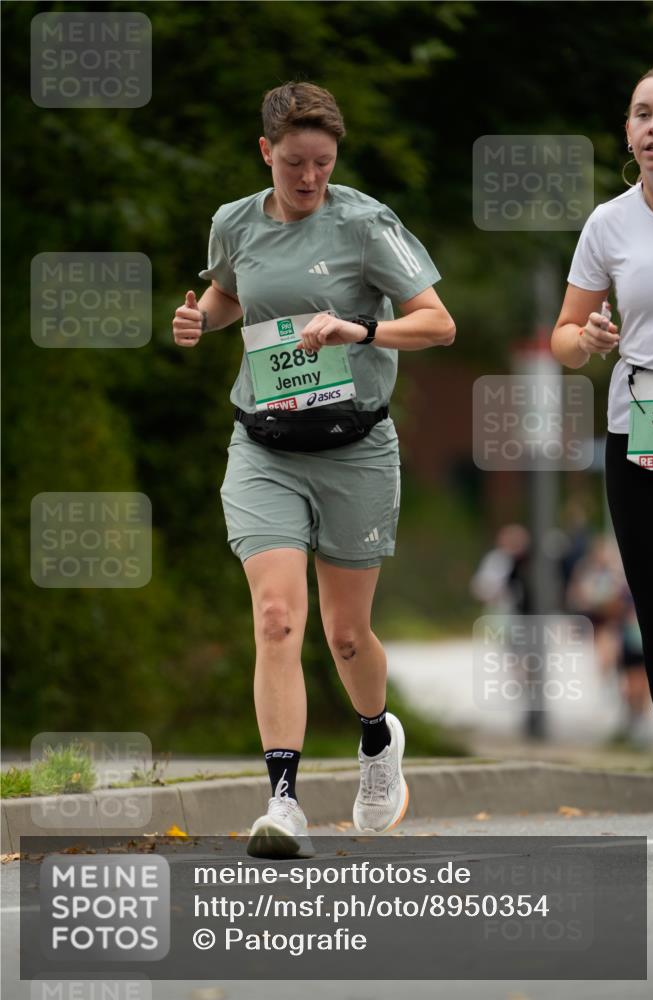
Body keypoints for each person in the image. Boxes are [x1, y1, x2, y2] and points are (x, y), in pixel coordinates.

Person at [172, 82, 455, 858]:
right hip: (264, 446)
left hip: (354, 449)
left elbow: (438, 323)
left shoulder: (364, 222)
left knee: (346, 634)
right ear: (265, 152)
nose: (308, 179)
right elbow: (231, 296)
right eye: (294, 163)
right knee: (274, 618)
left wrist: (359, 327)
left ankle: (374, 743)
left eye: (322, 164)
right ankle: (284, 802)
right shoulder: (234, 222)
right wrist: (202, 316)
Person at [551, 64, 653, 855]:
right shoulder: (608, 225)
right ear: (626, 134)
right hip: (642, 431)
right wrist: (587, 340)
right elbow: (564, 337)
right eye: (642, 114)